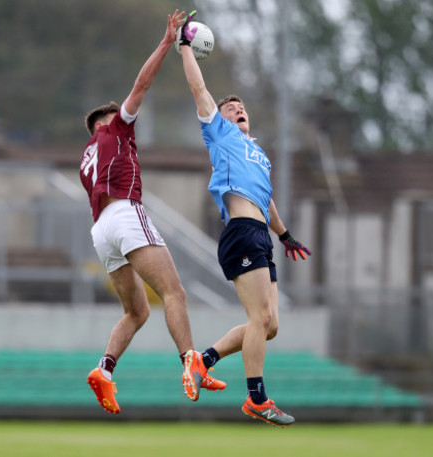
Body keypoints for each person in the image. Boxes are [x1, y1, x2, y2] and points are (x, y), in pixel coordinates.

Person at [80, 9, 225, 415]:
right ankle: (190, 361)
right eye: (118, 114)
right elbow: (143, 83)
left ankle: (104, 370)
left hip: (100, 231)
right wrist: (166, 43)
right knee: (174, 293)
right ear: (106, 123)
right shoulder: (115, 129)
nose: (127, 116)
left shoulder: (86, 157)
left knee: (136, 310)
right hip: (125, 215)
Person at [178, 11, 311, 426]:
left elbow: (265, 200)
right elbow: (199, 87)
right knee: (259, 319)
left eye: (242, 107)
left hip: (261, 235)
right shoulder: (220, 134)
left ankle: (205, 359)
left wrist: (286, 235)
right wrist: (185, 46)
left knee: (269, 326)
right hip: (240, 233)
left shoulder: (260, 155)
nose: (237, 109)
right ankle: (257, 398)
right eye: (230, 107)